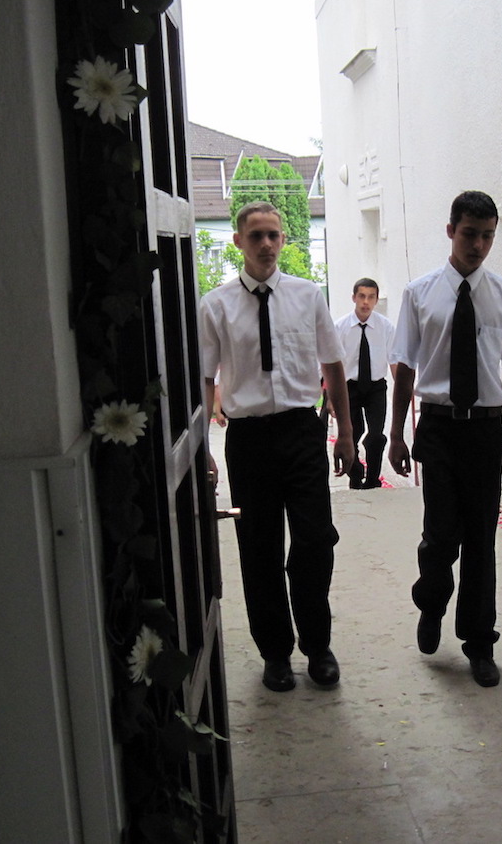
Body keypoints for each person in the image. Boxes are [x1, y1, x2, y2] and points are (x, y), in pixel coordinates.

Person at [201, 201, 355, 692]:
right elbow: (205, 378)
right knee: (259, 547)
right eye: (256, 236)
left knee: (315, 539)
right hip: (248, 439)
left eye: (274, 235)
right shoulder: (216, 306)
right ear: (238, 242)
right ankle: (275, 653)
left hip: (301, 431)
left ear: (284, 240)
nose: (266, 244)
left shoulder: (308, 296)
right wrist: (202, 444)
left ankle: (318, 645)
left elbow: (333, 365)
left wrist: (346, 433)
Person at [388, 190, 502, 687]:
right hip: (437, 426)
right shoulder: (419, 294)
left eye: (488, 236)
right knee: (440, 534)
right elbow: (404, 369)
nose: (478, 245)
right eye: (470, 234)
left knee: (480, 539)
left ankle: (479, 642)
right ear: (451, 231)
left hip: (485, 430)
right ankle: (431, 602)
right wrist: (396, 434)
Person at [334, 277, 397, 489]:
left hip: (376, 387)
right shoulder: (340, 327)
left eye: (371, 297)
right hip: (349, 388)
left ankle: (372, 479)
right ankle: (355, 473)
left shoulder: (385, 327)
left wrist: (402, 390)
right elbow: (332, 364)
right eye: (361, 296)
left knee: (376, 435)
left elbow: (394, 360)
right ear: (354, 298)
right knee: (351, 433)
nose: (366, 302)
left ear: (377, 300)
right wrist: (330, 397)